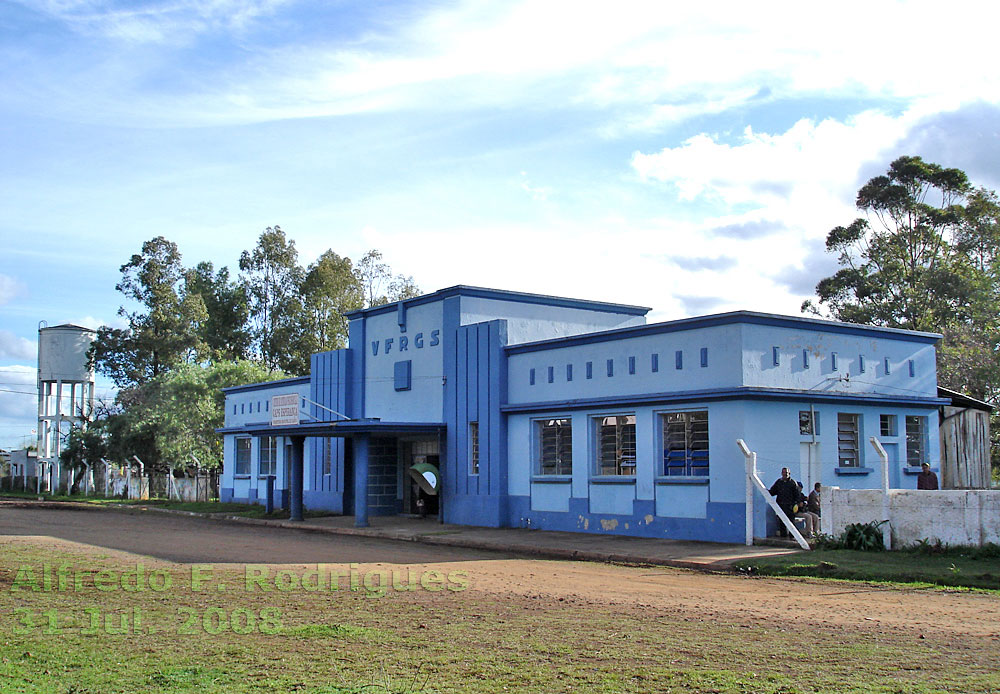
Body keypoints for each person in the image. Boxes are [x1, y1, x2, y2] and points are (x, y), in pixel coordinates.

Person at [768, 467, 800, 537]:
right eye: (783, 473)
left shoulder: (793, 483)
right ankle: (783, 537)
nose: (785, 474)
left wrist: (795, 504)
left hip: (790, 507)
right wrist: (765, 491)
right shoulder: (779, 482)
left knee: (791, 522)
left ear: (789, 473)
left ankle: (793, 537)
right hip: (781, 506)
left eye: (786, 473)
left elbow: (797, 495)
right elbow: (772, 492)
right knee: (781, 522)